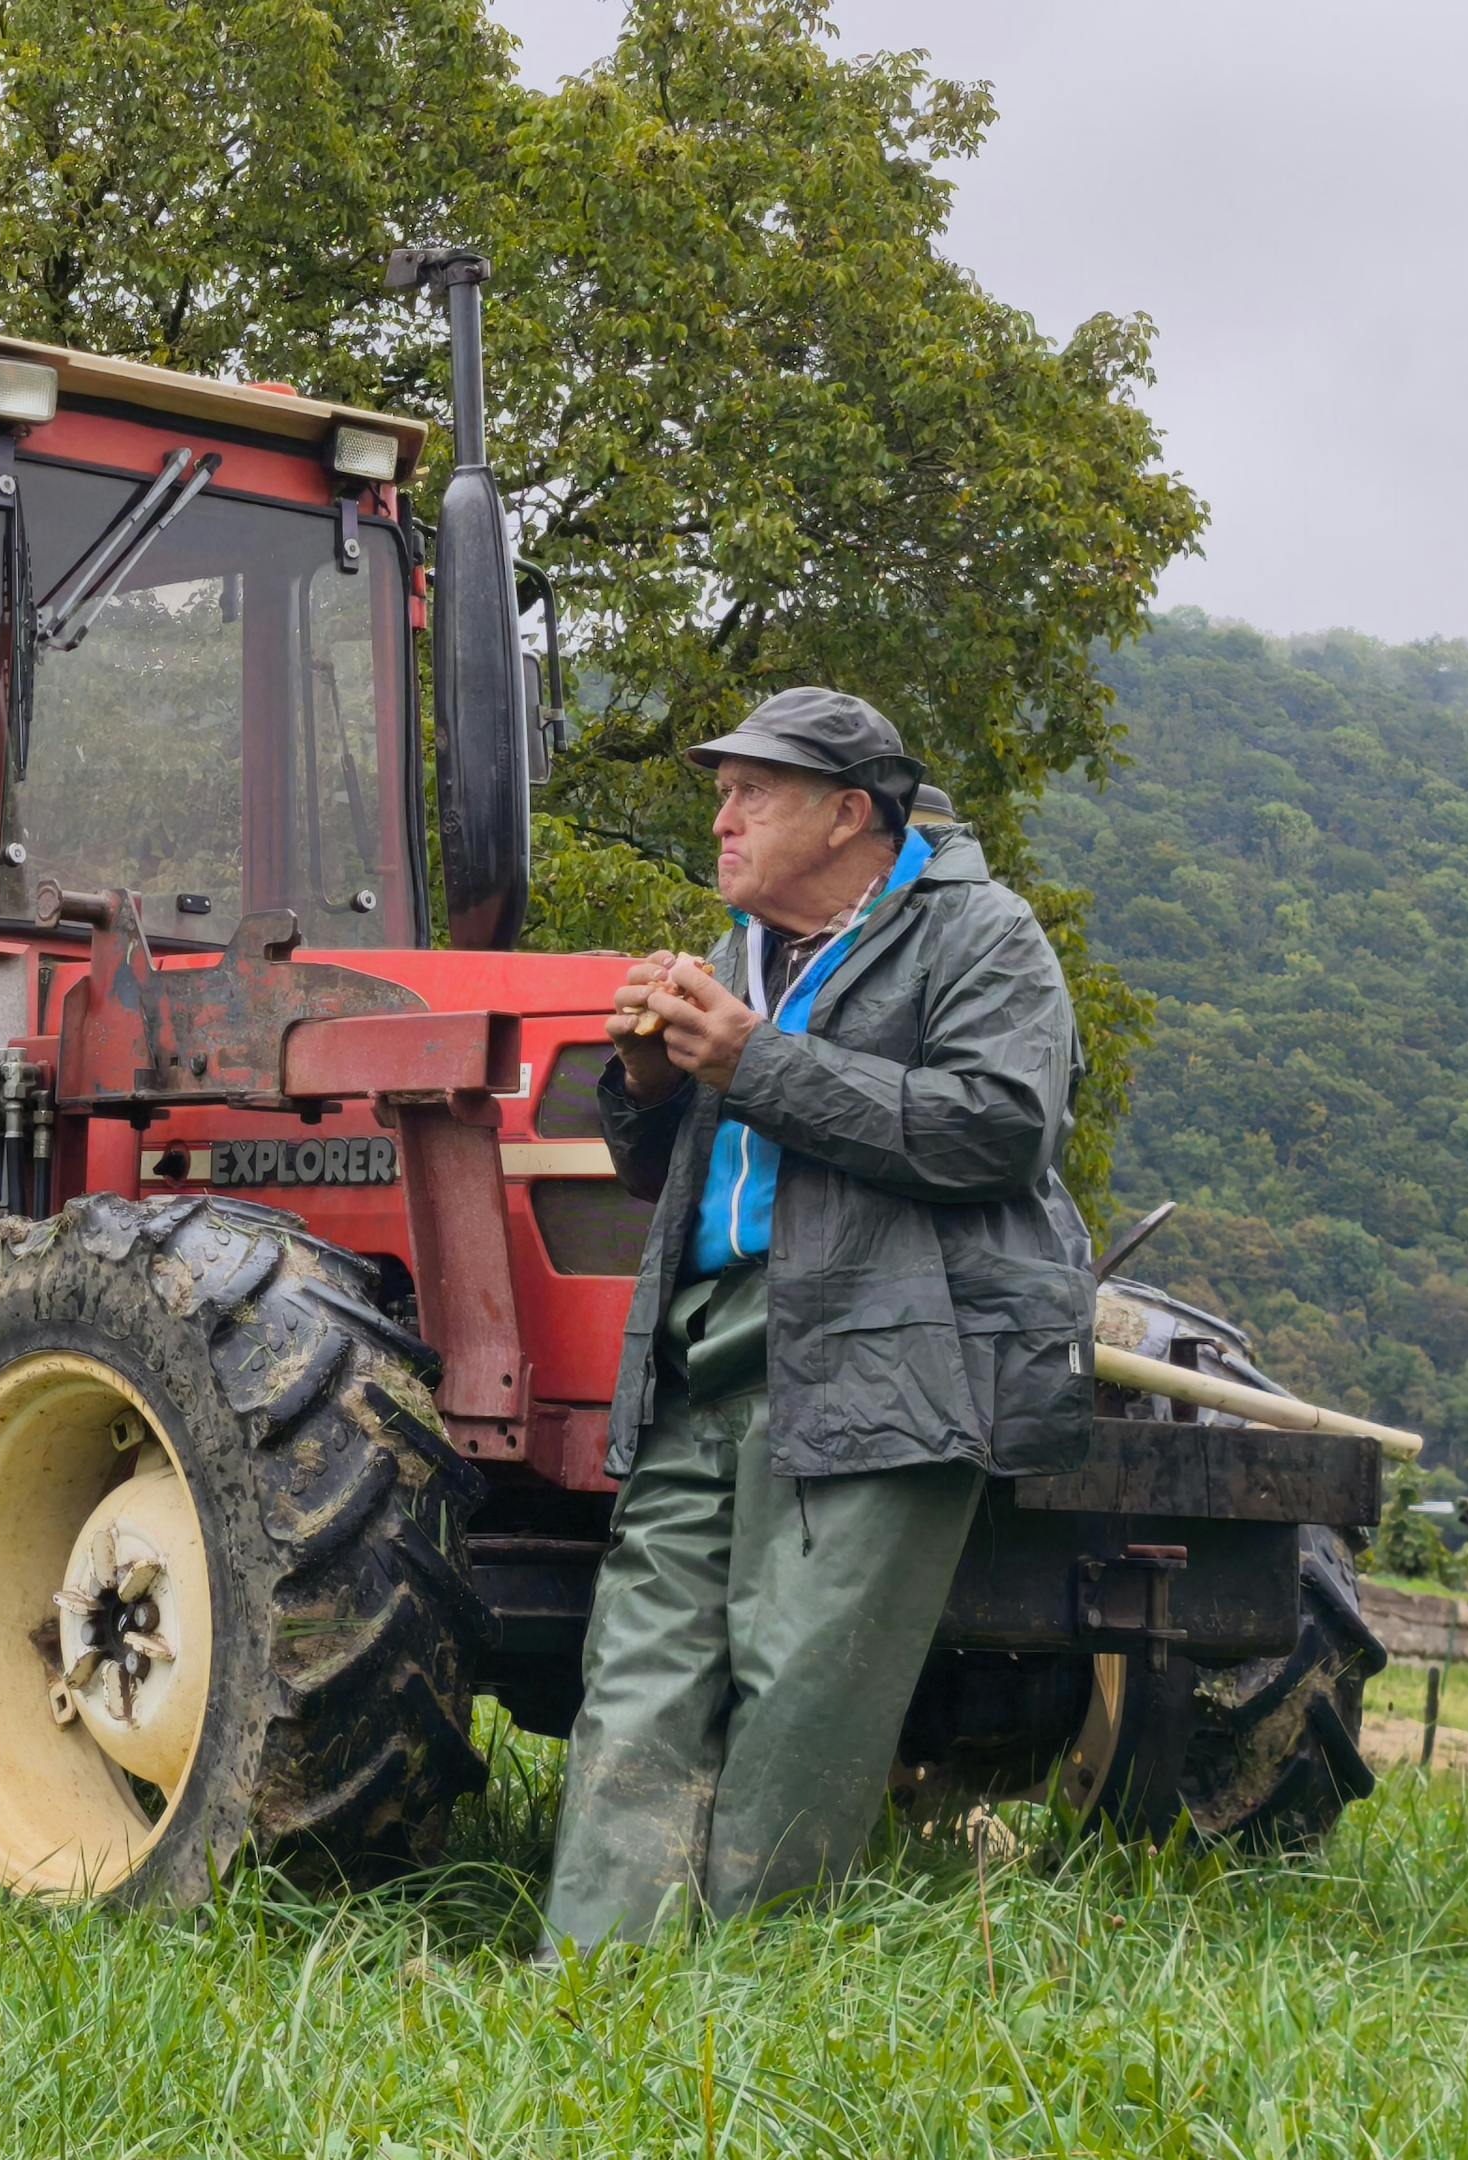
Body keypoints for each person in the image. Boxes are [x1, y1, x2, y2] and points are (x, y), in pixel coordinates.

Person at [542, 687, 1095, 1949]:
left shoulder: (980, 935)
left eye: (754, 791)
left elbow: (1003, 1131)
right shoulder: (743, 954)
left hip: (887, 1360)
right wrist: (645, 1083)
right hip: (701, 1345)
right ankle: (590, 1991)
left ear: (850, 813)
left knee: (803, 1697)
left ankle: (747, 2006)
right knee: (638, 1675)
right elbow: (673, 1173)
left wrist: (753, 1063)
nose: (721, 817)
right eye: (721, 790)